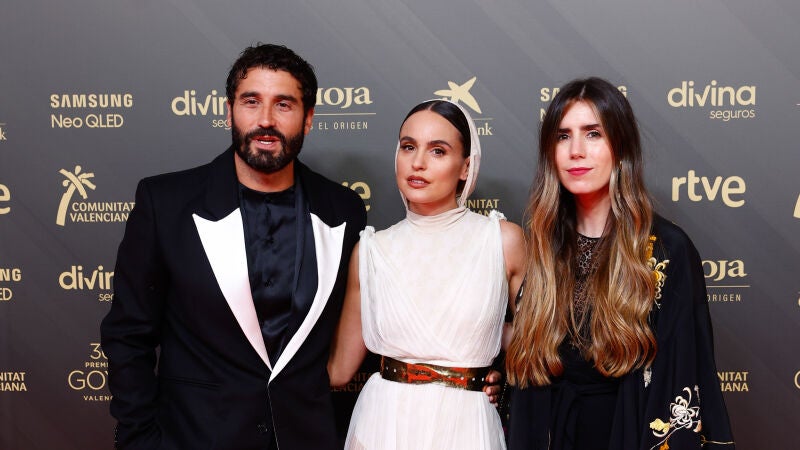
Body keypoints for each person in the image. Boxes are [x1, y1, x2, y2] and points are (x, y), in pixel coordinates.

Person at [100, 43, 367, 450]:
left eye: (283, 104)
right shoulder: (166, 203)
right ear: (229, 111)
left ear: (309, 118)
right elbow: (128, 335)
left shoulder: (343, 208)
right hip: (194, 439)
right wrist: (140, 440)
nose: (266, 120)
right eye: (251, 102)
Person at [505, 77, 735, 450]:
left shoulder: (666, 251)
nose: (576, 151)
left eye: (593, 134)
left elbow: (683, 381)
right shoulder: (543, 247)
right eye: (563, 136)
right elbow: (528, 371)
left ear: (621, 146)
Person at [327, 99, 526, 449]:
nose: (417, 162)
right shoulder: (371, 252)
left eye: (437, 151)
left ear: (465, 167)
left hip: (467, 428)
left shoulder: (502, 241)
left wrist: (502, 375)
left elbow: (540, 348)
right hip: (381, 426)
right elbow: (339, 371)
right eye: (408, 147)